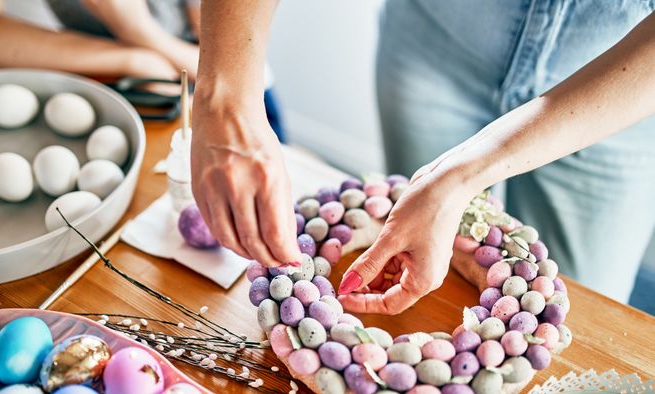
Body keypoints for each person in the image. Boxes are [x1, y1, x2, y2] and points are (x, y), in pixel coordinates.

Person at [191, 0, 655, 313]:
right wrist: (225, 94)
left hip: (618, 80)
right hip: (436, 38)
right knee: (414, 259)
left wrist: (457, 178)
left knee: (580, 302)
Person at [0, 0, 285, 140]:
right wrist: (130, 58)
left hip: (232, 89)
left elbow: (232, 69)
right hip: (135, 85)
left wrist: (137, 29)